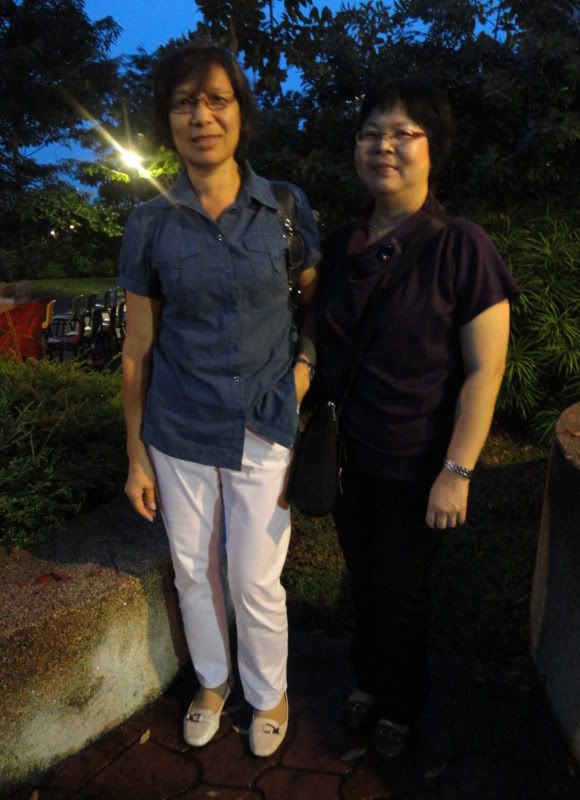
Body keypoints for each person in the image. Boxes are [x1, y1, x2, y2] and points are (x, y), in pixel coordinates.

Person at [119, 42, 320, 758]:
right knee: (193, 570)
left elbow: (319, 306)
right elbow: (137, 348)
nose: (201, 116)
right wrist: (135, 455)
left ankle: (270, 692)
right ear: (167, 120)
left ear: (241, 113)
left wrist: (304, 371)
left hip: (264, 419)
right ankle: (212, 681)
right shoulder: (150, 222)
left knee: (254, 577)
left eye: (216, 100)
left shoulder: (285, 208)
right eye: (184, 103)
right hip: (178, 425)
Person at [315, 78, 519, 759]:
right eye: (371, 134)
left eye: (404, 133)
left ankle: (401, 701)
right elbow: (315, 338)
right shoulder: (340, 246)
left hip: (416, 461)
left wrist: (457, 471)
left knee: (403, 593)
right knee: (364, 582)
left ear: (434, 149)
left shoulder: (462, 246)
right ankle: (369, 679)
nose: (384, 146)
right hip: (348, 457)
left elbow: (485, 371)